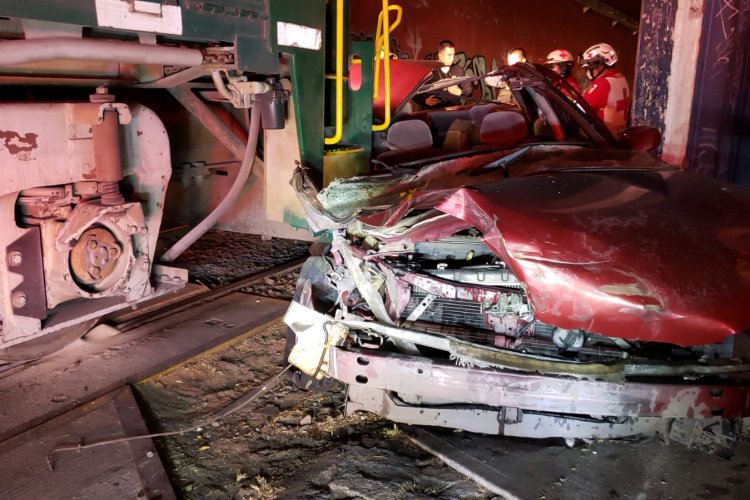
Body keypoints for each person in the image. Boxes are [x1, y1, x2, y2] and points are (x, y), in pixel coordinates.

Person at [580, 43, 630, 136]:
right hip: (618, 135)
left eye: (589, 67)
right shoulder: (621, 78)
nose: (587, 71)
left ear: (600, 66)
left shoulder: (603, 84)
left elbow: (579, 107)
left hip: (602, 140)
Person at [413, 40, 473, 109]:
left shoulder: (458, 70)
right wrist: (424, 100)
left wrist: (460, 92)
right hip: (432, 113)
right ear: (440, 55)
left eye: (453, 55)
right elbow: (412, 92)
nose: (452, 58)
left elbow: (469, 89)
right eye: (449, 55)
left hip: (454, 113)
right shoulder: (429, 71)